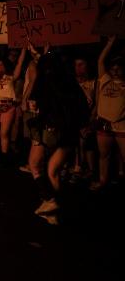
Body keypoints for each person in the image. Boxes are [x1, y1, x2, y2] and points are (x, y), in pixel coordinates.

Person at [28, 47, 90, 223]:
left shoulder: (47, 81)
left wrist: (36, 107)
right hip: (69, 134)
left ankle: (50, 201)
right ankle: (53, 212)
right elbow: (83, 109)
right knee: (52, 171)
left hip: (51, 129)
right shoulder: (70, 82)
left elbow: (35, 102)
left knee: (35, 164)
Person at [90, 36, 125, 191]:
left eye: (119, 68)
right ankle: (103, 181)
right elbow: (100, 61)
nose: (115, 70)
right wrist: (109, 44)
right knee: (104, 155)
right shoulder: (105, 80)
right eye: (113, 68)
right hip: (104, 124)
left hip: (122, 125)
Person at [73, 56, 97, 180]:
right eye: (76, 64)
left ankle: (87, 169)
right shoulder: (71, 82)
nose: (78, 67)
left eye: (81, 64)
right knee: (77, 144)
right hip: (74, 118)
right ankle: (78, 167)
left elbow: (97, 102)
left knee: (86, 144)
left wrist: (91, 119)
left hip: (88, 119)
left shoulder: (93, 82)